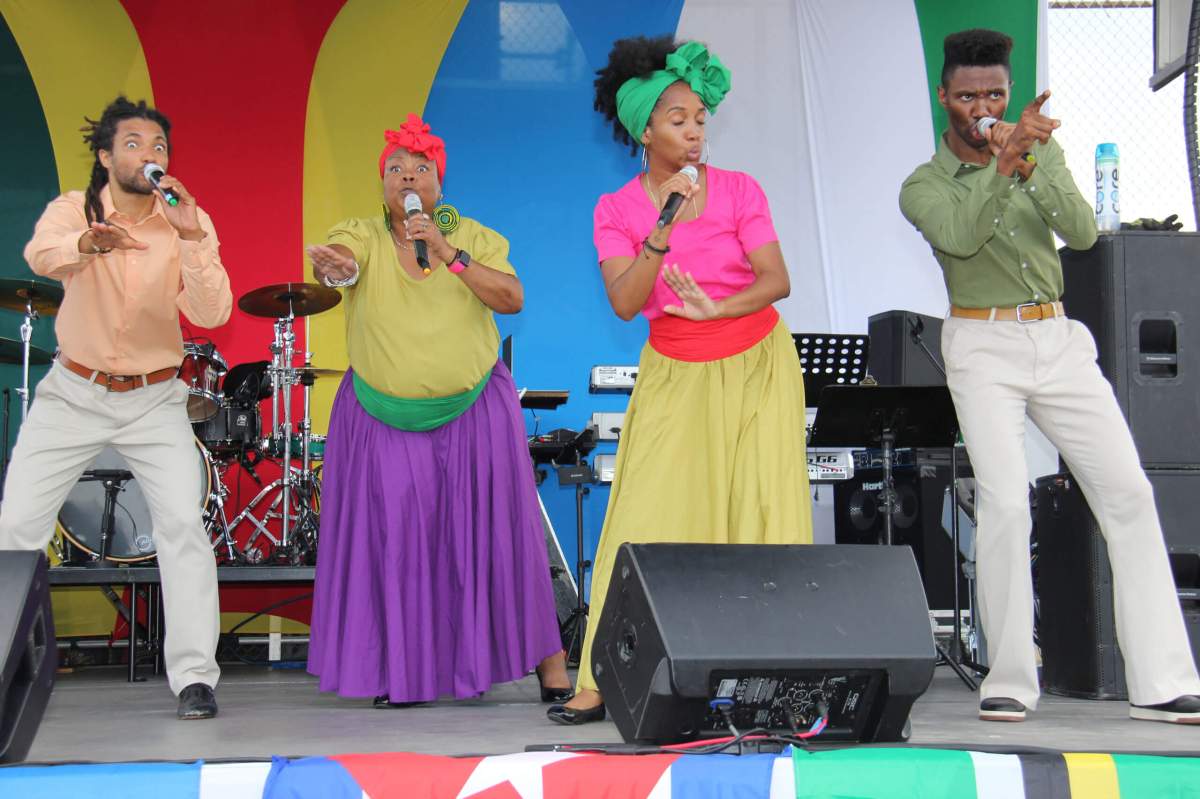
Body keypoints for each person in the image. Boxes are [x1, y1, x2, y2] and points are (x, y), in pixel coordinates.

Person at [900, 29, 1200, 724]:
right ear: (944, 97)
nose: (984, 106)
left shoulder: (1038, 149)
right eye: (970, 95)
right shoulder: (923, 184)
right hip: (981, 340)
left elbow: (1084, 232)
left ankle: (1160, 680)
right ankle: (1009, 677)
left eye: (996, 93)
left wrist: (1030, 161)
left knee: (1128, 492)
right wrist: (1002, 169)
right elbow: (961, 237)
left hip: (1058, 336)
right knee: (1005, 503)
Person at [548, 37, 812, 726]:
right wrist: (662, 223)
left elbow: (776, 280)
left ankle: (773, 676)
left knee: (761, 516)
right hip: (674, 369)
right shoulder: (618, 209)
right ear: (644, 128)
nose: (694, 131)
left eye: (699, 117)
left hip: (756, 364)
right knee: (641, 521)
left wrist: (716, 306)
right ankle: (601, 676)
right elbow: (627, 302)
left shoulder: (740, 189)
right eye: (677, 118)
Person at [305, 114, 571, 706]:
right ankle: (404, 673)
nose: (407, 176)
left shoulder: (472, 234)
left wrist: (448, 252)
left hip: (475, 412)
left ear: (438, 185)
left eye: (419, 168)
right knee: (399, 544)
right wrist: (338, 268)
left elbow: (512, 296)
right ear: (383, 186)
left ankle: (551, 667)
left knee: (507, 538)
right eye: (395, 169)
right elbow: (341, 263)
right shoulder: (364, 234)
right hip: (383, 418)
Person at [0, 97, 231, 720]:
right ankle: (1, 666)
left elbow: (213, 315)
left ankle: (193, 679)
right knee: (16, 526)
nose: (149, 156)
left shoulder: (186, 218)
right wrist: (87, 243)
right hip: (73, 392)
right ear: (105, 156)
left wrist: (192, 242)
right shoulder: (72, 208)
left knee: (184, 529)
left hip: (155, 398)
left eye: (158, 147)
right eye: (133, 144)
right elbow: (43, 257)